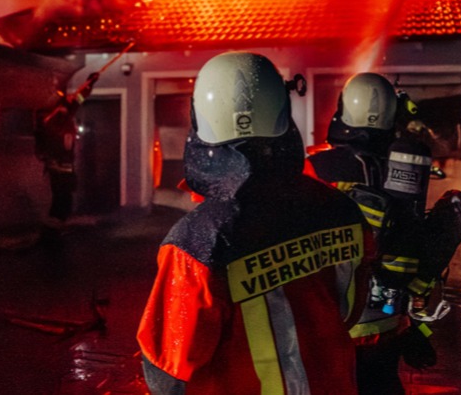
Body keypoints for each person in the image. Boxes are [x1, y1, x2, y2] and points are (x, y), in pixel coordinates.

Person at [136, 51, 375, 395]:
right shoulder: (341, 209)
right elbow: (350, 310)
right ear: (283, 114)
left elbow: (167, 373)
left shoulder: (199, 241)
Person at [306, 72, 461, 394]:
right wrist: (417, 331)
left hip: (331, 325)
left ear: (342, 111)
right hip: (388, 326)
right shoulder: (406, 169)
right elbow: (417, 246)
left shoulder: (314, 167)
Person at [35, 71, 99, 227]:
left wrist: (90, 82)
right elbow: (42, 130)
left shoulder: (66, 108)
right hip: (56, 160)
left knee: (66, 191)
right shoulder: (49, 117)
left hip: (65, 161)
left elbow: (79, 97)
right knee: (59, 191)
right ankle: (56, 218)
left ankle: (60, 219)